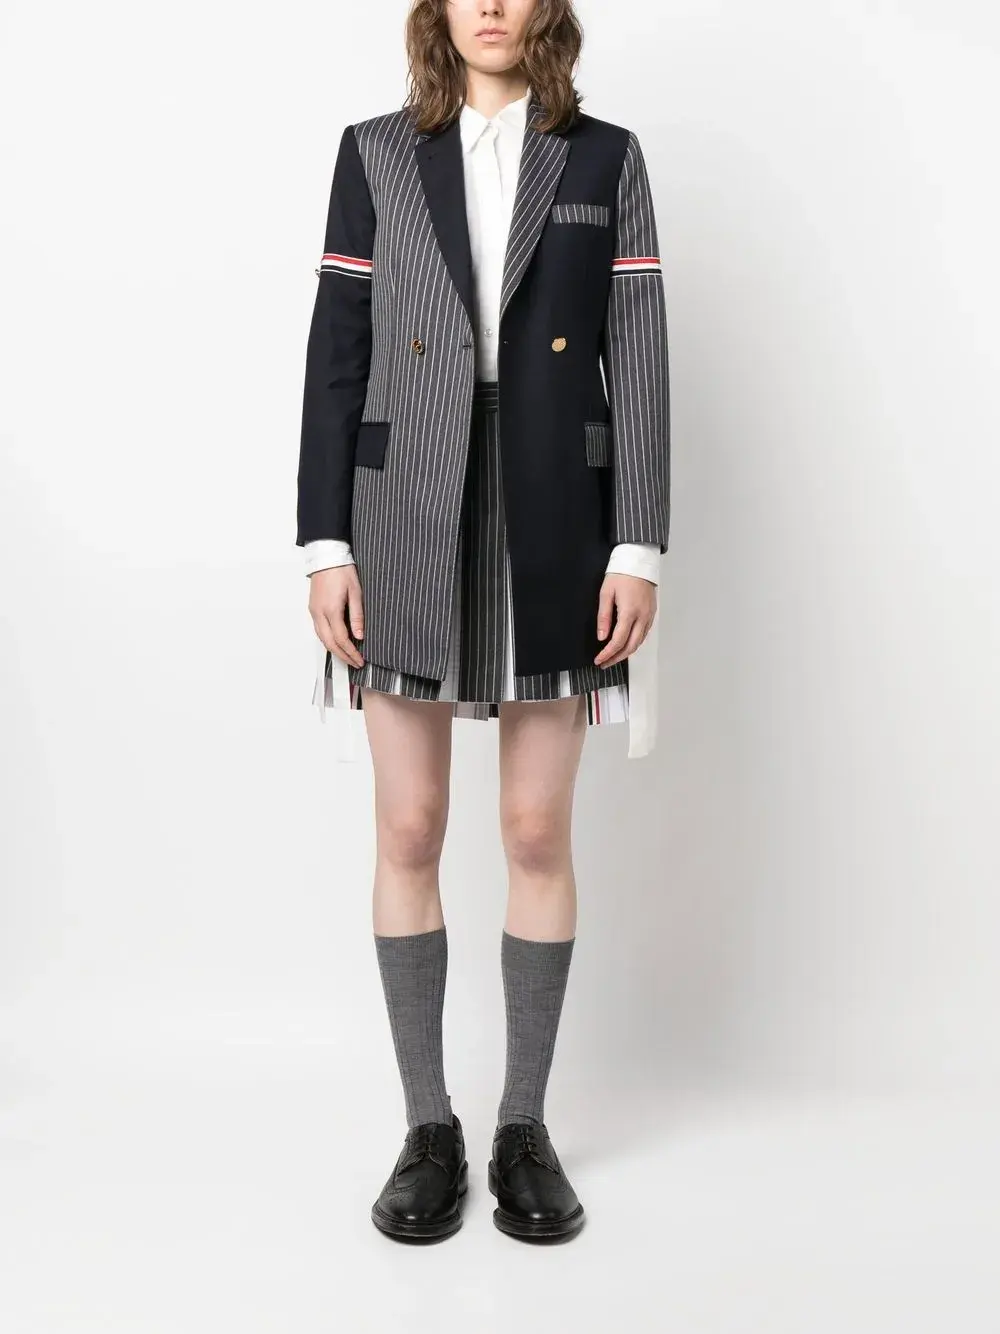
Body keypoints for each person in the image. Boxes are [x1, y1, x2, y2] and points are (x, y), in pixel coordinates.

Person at [296, 0, 669, 1243]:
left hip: (557, 504)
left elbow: (637, 348)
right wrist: (324, 541)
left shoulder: (604, 156)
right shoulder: (373, 152)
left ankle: (521, 1126)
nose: (493, 5)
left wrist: (637, 543)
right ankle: (426, 1126)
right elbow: (338, 347)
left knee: (532, 827)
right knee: (408, 823)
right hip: (404, 499)